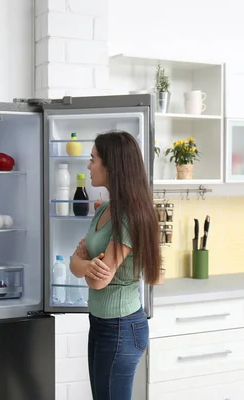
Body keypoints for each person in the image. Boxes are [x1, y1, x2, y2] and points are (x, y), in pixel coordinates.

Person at [69, 130, 161, 400]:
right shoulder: (103, 210)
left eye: (93, 159)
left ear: (112, 166)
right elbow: (76, 261)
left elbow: (99, 279)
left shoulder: (129, 216)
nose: (88, 165)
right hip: (100, 322)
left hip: (120, 326)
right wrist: (85, 266)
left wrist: (84, 266)